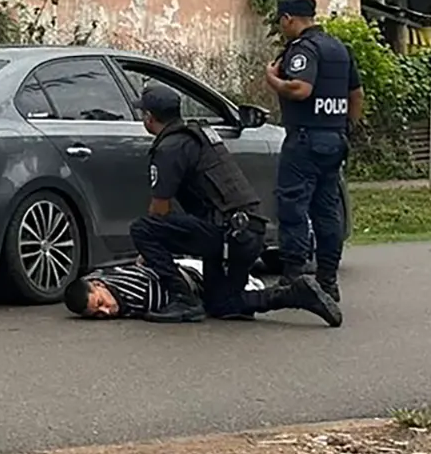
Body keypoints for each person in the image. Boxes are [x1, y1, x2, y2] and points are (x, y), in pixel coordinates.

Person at [127, 85, 341, 325]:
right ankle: (296, 294)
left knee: (143, 229)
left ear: (149, 117)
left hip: (227, 234)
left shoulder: (169, 148)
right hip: (248, 231)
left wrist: (148, 252)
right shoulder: (198, 135)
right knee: (222, 305)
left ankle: (183, 299)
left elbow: (160, 209)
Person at [265, 0, 364, 303]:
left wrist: (273, 80)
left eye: (282, 22)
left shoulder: (303, 49)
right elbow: (356, 94)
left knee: (293, 207)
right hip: (334, 138)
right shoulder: (339, 48)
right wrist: (346, 127)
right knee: (327, 211)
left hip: (305, 139)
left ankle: (294, 279)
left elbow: (300, 89)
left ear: (288, 19)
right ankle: (328, 280)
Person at [64, 256, 341, 326]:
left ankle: (294, 293)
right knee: (230, 307)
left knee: (227, 306)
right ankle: (291, 294)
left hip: (195, 279)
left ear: (99, 286)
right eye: (97, 314)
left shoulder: (132, 292)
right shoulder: (100, 277)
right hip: (189, 270)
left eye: (101, 302)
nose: (107, 311)